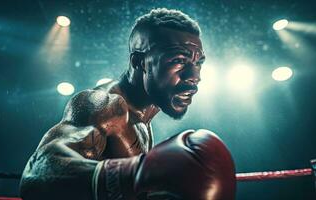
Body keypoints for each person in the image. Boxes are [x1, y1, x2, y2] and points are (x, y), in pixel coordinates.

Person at [20, 8, 236, 200]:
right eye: (178, 60)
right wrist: (138, 173)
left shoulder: (147, 112)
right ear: (139, 62)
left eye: (198, 63)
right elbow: (37, 173)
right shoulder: (105, 105)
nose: (194, 75)